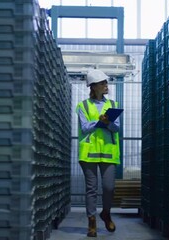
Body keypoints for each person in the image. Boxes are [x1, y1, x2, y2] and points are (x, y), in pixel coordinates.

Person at [76, 69, 121, 237]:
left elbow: (117, 128)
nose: (106, 86)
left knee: (109, 187)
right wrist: (99, 121)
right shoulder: (83, 106)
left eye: (106, 83)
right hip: (89, 153)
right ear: (93, 87)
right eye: (102, 83)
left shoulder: (113, 105)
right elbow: (85, 127)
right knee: (91, 189)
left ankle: (106, 213)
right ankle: (91, 222)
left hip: (108, 153)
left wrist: (108, 122)